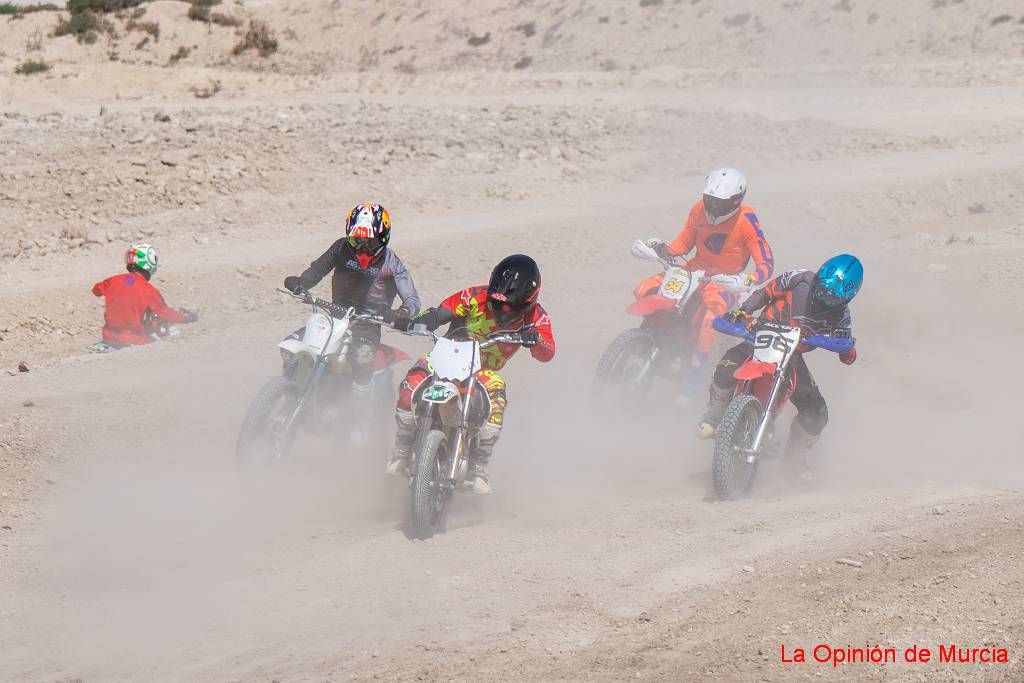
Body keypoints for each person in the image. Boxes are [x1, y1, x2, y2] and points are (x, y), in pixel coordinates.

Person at [387, 254, 556, 494]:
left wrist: (536, 339)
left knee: (497, 398)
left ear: (527, 300)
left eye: (509, 306)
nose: (502, 309)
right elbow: (440, 313)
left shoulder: (536, 317)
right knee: (410, 386)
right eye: (497, 303)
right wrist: (415, 321)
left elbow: (548, 352)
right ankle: (401, 450)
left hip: (483, 371)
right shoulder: (474, 296)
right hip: (444, 358)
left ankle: (479, 465)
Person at [697, 254, 863, 471]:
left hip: (791, 356)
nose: (824, 298)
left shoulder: (841, 315)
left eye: (832, 298)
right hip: (760, 337)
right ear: (818, 278)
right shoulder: (800, 279)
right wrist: (744, 310)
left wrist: (846, 346)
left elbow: (847, 355)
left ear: (846, 299)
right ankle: (713, 416)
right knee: (726, 365)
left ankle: (794, 462)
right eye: (822, 290)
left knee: (816, 411)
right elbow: (765, 293)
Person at [283, 202, 420, 420]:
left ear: (383, 238)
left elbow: (412, 299)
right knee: (291, 346)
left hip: (367, 323)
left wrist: (402, 313)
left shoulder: (392, 263)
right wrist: (301, 283)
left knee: (362, 358)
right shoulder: (340, 248)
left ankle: (358, 414)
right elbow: (317, 270)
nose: (362, 248)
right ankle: (289, 395)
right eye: (357, 240)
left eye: (369, 241)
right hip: (335, 316)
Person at [645, 168, 774, 394]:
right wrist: (663, 249)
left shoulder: (747, 220)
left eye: (719, 203)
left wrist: (749, 279)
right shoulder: (698, 210)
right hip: (694, 269)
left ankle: (693, 376)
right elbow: (683, 244)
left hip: (725, 281)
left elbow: (766, 262)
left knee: (709, 322)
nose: (713, 207)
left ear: (735, 201)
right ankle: (646, 339)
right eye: (710, 200)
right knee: (650, 288)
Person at [92, 243, 198, 349]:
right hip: (133, 339)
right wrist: (185, 318)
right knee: (160, 330)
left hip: (108, 336)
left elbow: (96, 290)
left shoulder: (113, 280)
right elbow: (164, 312)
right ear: (149, 262)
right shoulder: (149, 290)